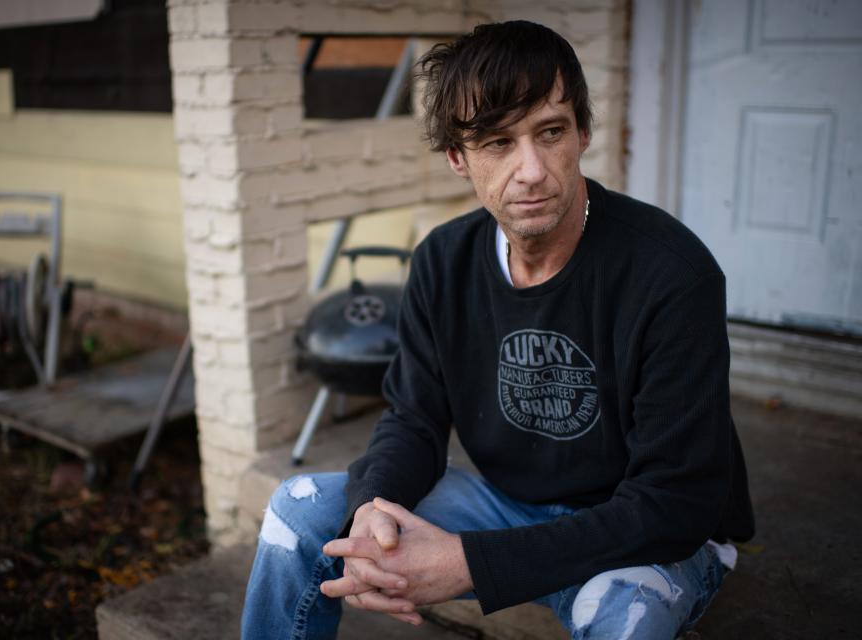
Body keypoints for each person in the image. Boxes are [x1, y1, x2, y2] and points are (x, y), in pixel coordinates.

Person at [241, 20, 755, 640]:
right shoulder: (442, 259)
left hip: (640, 533)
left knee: (629, 616)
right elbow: (415, 418)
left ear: (583, 132)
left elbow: (675, 503)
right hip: (509, 506)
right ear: (458, 157)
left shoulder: (672, 273)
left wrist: (469, 565)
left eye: (550, 132)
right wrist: (371, 509)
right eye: (496, 142)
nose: (531, 170)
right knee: (297, 511)